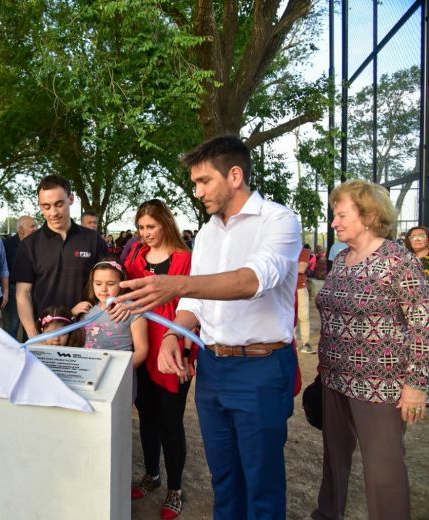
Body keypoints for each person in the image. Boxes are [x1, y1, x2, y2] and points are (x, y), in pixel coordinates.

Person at [120, 135, 301, 520]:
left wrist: (177, 283)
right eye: (195, 183)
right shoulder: (207, 233)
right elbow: (194, 303)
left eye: (204, 181)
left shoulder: (279, 220)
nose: (197, 190)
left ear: (234, 175)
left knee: (262, 484)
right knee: (224, 479)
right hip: (213, 368)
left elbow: (252, 281)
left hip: (262, 367)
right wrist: (173, 332)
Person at [311, 180, 428, 520]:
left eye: (341, 214)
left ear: (369, 215)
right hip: (334, 381)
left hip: (380, 386)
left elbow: (423, 324)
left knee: (384, 471)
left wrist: (416, 386)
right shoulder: (343, 259)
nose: (335, 222)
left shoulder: (399, 261)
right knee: (334, 462)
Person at [122, 199, 193, 520]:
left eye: (151, 226)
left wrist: (187, 350)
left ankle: (175, 488)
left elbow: (194, 307)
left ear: (165, 223)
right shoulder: (136, 257)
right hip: (141, 346)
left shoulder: (185, 260)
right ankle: (152, 473)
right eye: (141, 227)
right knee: (146, 416)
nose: (146, 233)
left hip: (173, 350)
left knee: (170, 421)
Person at [14, 175, 109, 337]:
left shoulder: (92, 240)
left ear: (70, 199)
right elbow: (23, 293)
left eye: (59, 204)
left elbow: (108, 284)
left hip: (85, 332)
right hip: (44, 334)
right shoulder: (28, 245)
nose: (53, 212)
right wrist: (33, 334)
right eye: (46, 206)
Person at [72, 260, 148, 367]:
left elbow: (142, 351)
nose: (103, 289)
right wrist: (72, 315)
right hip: (88, 372)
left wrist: (120, 371)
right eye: (98, 283)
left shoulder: (132, 309)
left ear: (122, 283)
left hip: (120, 374)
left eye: (110, 284)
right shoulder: (86, 310)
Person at [2, 215, 38, 338]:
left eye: (36, 226)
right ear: (21, 229)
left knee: (30, 327)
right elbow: (3, 269)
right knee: (12, 327)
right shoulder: (7, 245)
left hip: (33, 290)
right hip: (12, 291)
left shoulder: (37, 244)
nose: (36, 229)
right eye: (32, 226)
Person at [296, 243, 314, 354]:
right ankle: (291, 342)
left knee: (303, 316)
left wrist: (283, 265)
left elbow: (301, 268)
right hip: (286, 287)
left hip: (300, 287)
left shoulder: (304, 251)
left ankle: (305, 343)